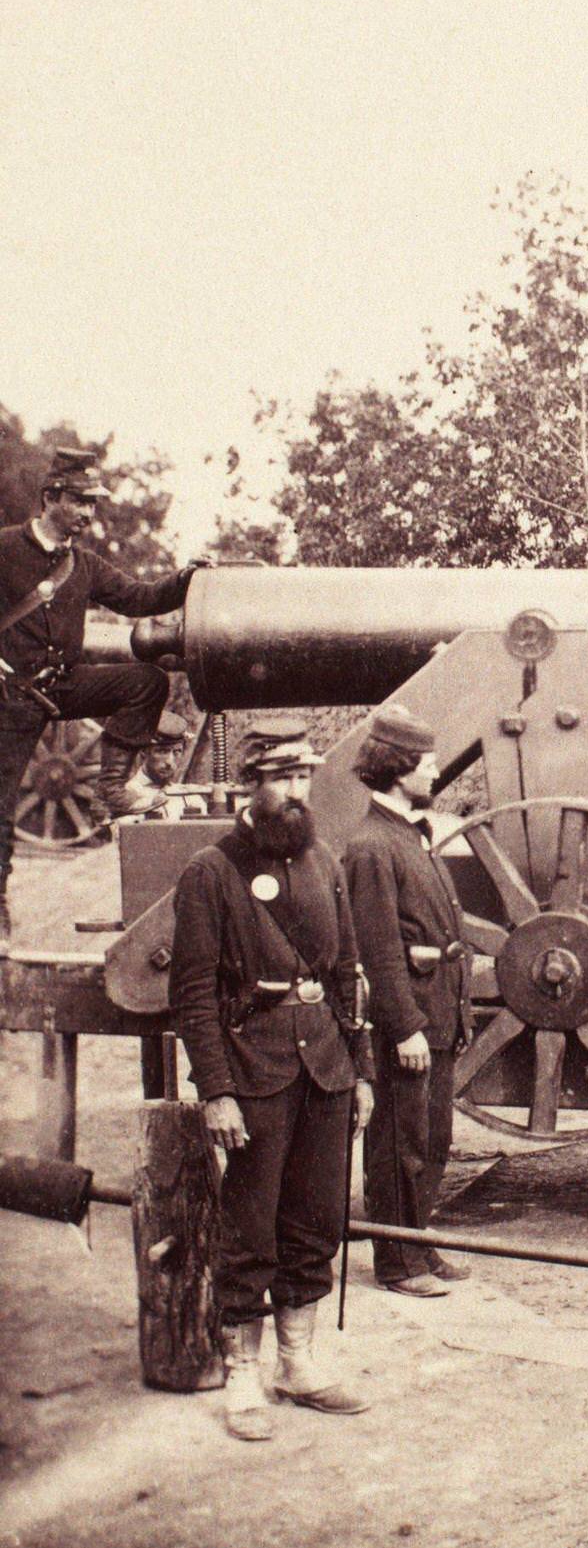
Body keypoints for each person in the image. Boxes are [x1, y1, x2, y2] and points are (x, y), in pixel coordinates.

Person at [170, 716, 375, 1441]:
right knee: (249, 1223)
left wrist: (363, 1071)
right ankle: (243, 1375)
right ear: (248, 783)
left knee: (316, 1216)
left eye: (301, 777)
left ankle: (300, 1362)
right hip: (254, 1068)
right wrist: (217, 1088)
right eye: (278, 778)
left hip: (325, 1063)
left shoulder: (325, 863)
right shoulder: (210, 872)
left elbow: (349, 972)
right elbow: (193, 992)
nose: (293, 792)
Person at [0, 448, 202, 946]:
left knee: (147, 682)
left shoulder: (83, 564)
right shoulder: (4, 549)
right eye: (80, 502)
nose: (90, 514)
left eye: (94, 504)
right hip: (10, 698)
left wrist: (187, 578)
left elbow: (141, 599)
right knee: (0, 811)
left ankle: (111, 787)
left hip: (62, 686)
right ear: (51, 498)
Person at [343, 704, 473, 1299]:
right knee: (399, 1140)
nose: (437, 770)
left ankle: (416, 1241)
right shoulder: (373, 847)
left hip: (436, 1012)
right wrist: (403, 1028)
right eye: (428, 762)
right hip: (411, 1020)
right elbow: (377, 950)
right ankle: (396, 1262)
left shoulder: (406, 835)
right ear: (400, 770)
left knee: (433, 1137)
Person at [116, 710, 207, 821]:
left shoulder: (189, 797)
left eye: (177, 752)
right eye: (162, 751)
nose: (170, 761)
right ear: (143, 751)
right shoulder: (124, 796)